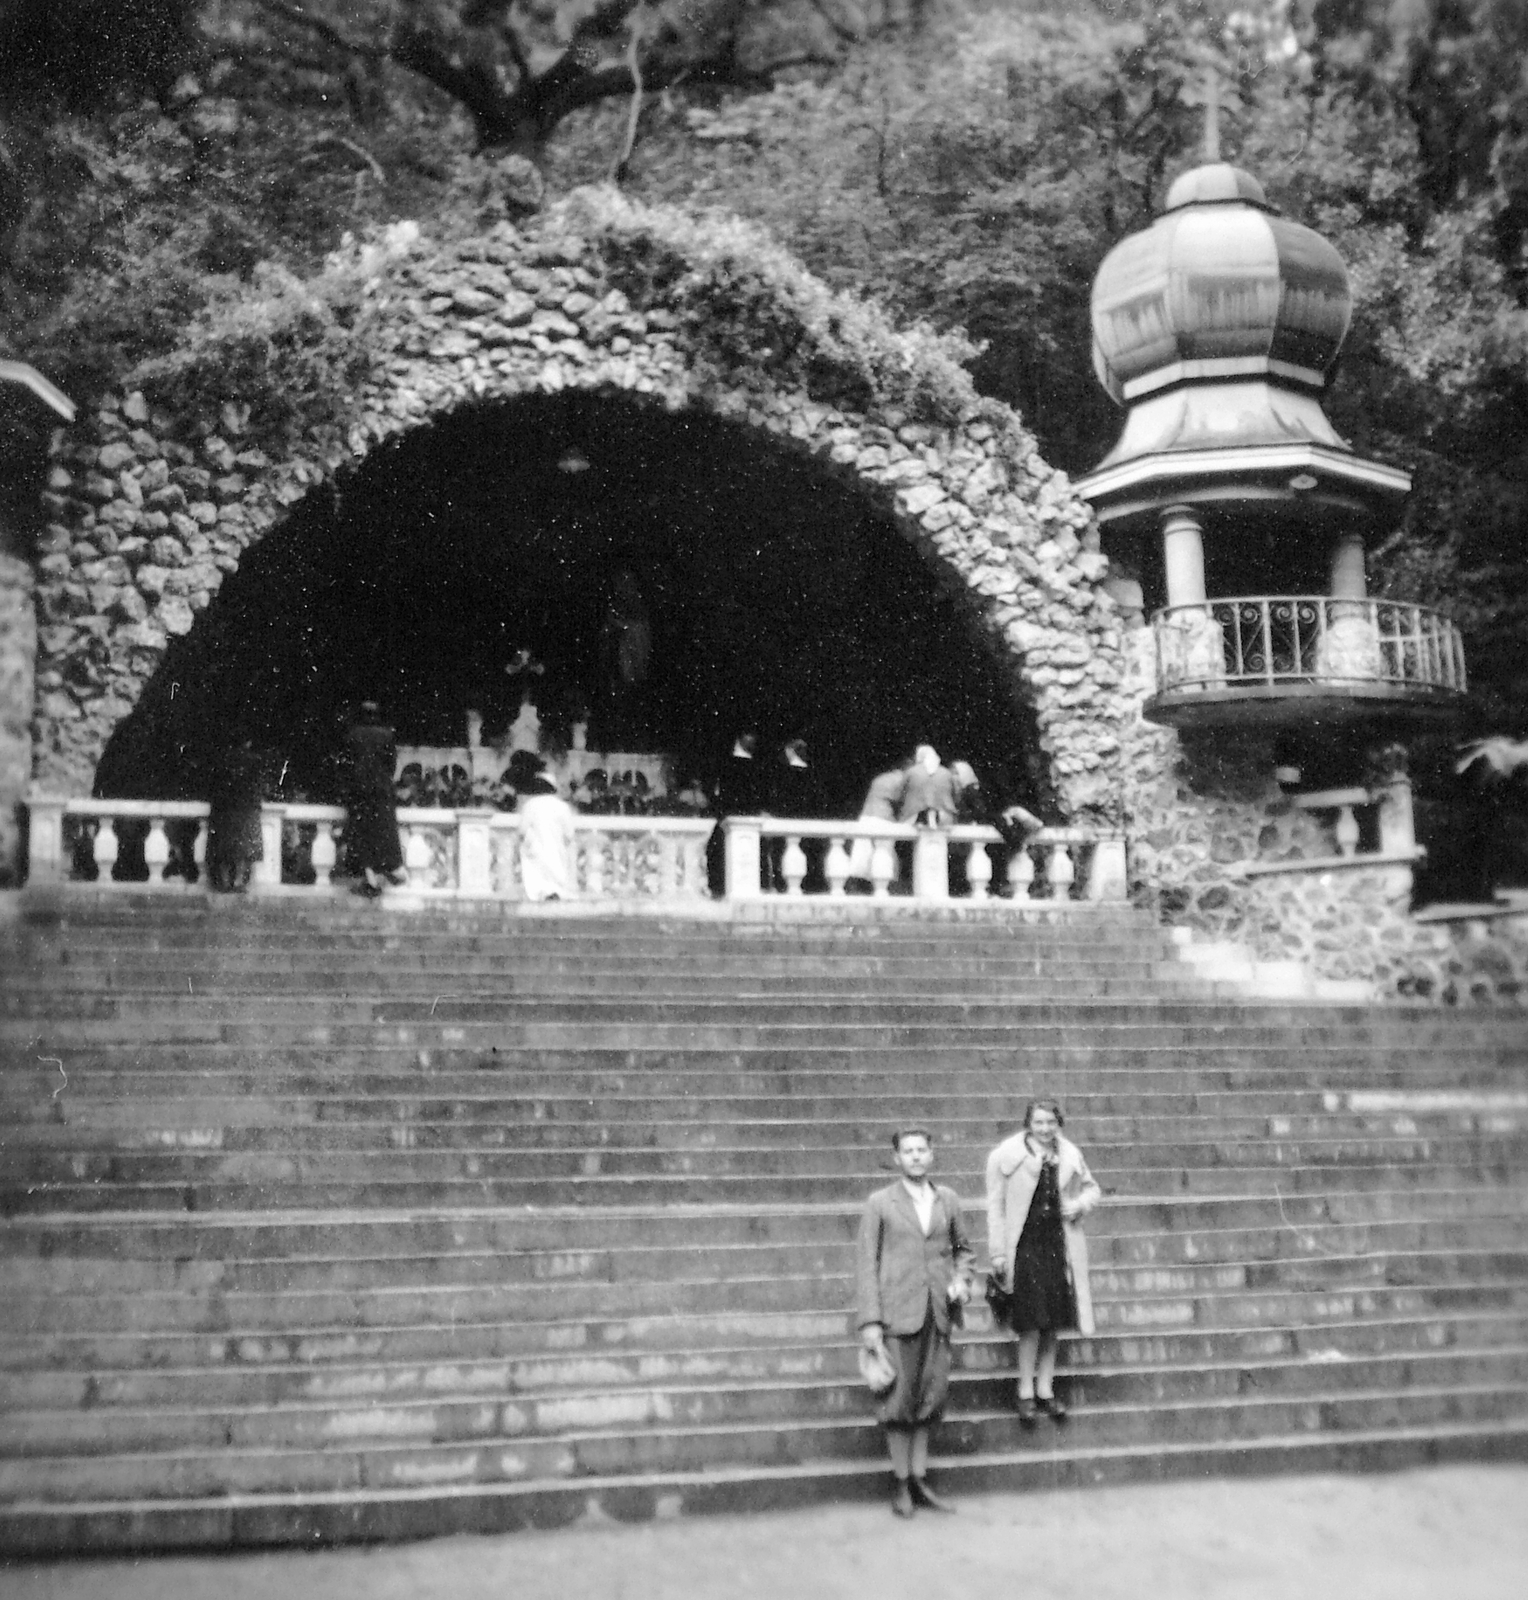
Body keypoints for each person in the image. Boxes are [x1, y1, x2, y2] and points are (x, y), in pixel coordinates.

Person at [856, 1127, 974, 1518]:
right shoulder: (880, 1203)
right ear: (897, 1158)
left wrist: (961, 1281)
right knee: (898, 1400)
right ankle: (901, 1483)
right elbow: (866, 1265)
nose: (916, 1157)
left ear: (932, 1154)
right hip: (896, 1314)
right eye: (908, 1151)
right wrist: (871, 1322)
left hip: (937, 1312)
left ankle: (921, 1480)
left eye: (922, 1150)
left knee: (930, 1397)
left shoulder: (948, 1199)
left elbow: (963, 1252)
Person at [984, 1100, 1101, 1425]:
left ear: (1058, 1123)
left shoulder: (1070, 1154)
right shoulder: (1006, 1156)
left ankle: (1046, 1389)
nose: (1045, 1129)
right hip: (1024, 1247)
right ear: (1028, 1124)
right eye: (1039, 1122)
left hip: (1058, 1245)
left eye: (1051, 1122)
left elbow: (1093, 1190)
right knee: (1031, 1322)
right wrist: (997, 1252)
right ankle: (1024, 1391)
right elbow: (995, 1207)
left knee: (1053, 1322)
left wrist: (1077, 1205)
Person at [343, 702, 406, 896]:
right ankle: (389, 870)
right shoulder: (387, 735)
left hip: (359, 791)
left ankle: (370, 875)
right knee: (384, 830)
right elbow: (391, 765)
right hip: (381, 790)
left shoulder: (352, 736)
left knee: (362, 833)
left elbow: (346, 764)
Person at [205, 737, 266, 893]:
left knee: (223, 847)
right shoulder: (253, 761)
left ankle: (225, 882)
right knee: (242, 848)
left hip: (223, 809)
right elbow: (257, 787)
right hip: (244, 808)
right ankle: (238, 881)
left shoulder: (221, 760)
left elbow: (212, 787)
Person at [847, 754, 912, 887]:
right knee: (883, 853)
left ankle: (858, 886)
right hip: (883, 818)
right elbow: (902, 803)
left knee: (862, 856)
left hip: (866, 818)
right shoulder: (902, 780)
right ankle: (884, 885)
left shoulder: (881, 778)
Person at [517, 766, 578, 902]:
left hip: (537, 848)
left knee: (538, 874)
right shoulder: (562, 806)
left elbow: (521, 831)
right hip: (557, 847)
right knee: (557, 870)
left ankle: (541, 893)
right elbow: (569, 833)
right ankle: (556, 892)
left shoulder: (530, 805)